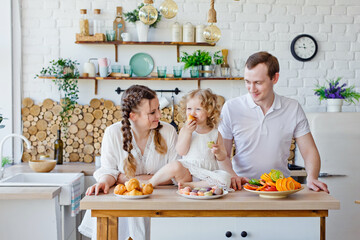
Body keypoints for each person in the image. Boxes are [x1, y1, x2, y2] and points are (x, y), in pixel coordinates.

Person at [218, 51, 329, 193]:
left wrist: (312, 178)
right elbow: (223, 154)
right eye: (247, 82)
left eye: (258, 83)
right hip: (243, 188)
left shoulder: (292, 108)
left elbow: (308, 151)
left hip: (280, 189)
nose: (252, 89)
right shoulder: (231, 108)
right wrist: (233, 177)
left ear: (274, 78)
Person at [78, 85, 178, 240]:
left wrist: (126, 179)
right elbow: (109, 171)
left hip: (160, 207)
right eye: (152, 112)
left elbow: (175, 176)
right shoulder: (113, 133)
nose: (159, 114)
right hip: (122, 208)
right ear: (133, 116)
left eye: (158, 109)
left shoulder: (168, 132)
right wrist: (104, 182)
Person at [148, 89, 231, 189]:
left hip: (207, 175)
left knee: (225, 178)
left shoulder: (215, 133)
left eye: (198, 109)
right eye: (189, 109)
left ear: (209, 112)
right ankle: (150, 183)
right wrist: (188, 132)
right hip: (188, 172)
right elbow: (181, 151)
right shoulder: (185, 130)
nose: (193, 113)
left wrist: (218, 152)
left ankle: (192, 186)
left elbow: (223, 157)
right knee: (175, 165)